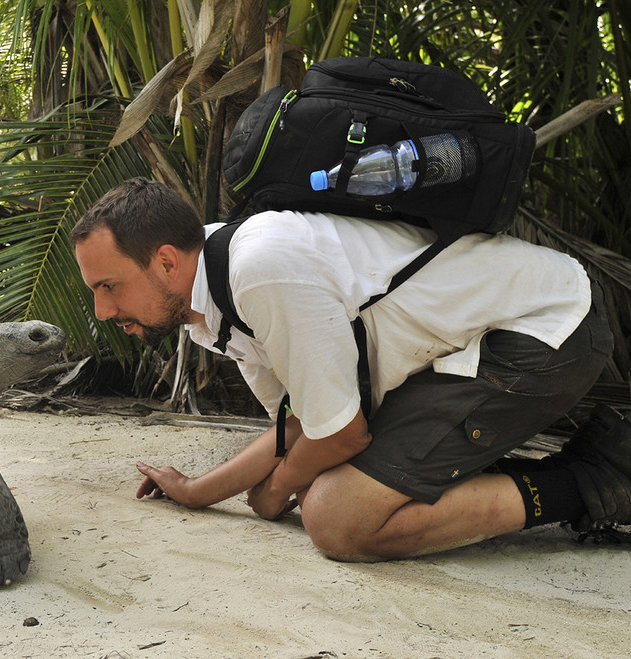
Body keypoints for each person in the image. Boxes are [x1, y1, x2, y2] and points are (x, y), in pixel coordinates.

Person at [71, 177, 631, 561]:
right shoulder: (208, 310)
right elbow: (298, 426)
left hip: (546, 327)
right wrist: (197, 490)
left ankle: (595, 481)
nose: (102, 311)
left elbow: (338, 434)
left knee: (339, 518)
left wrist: (276, 489)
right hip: (468, 349)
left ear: (166, 261)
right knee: (328, 484)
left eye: (108, 287)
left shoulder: (258, 271)